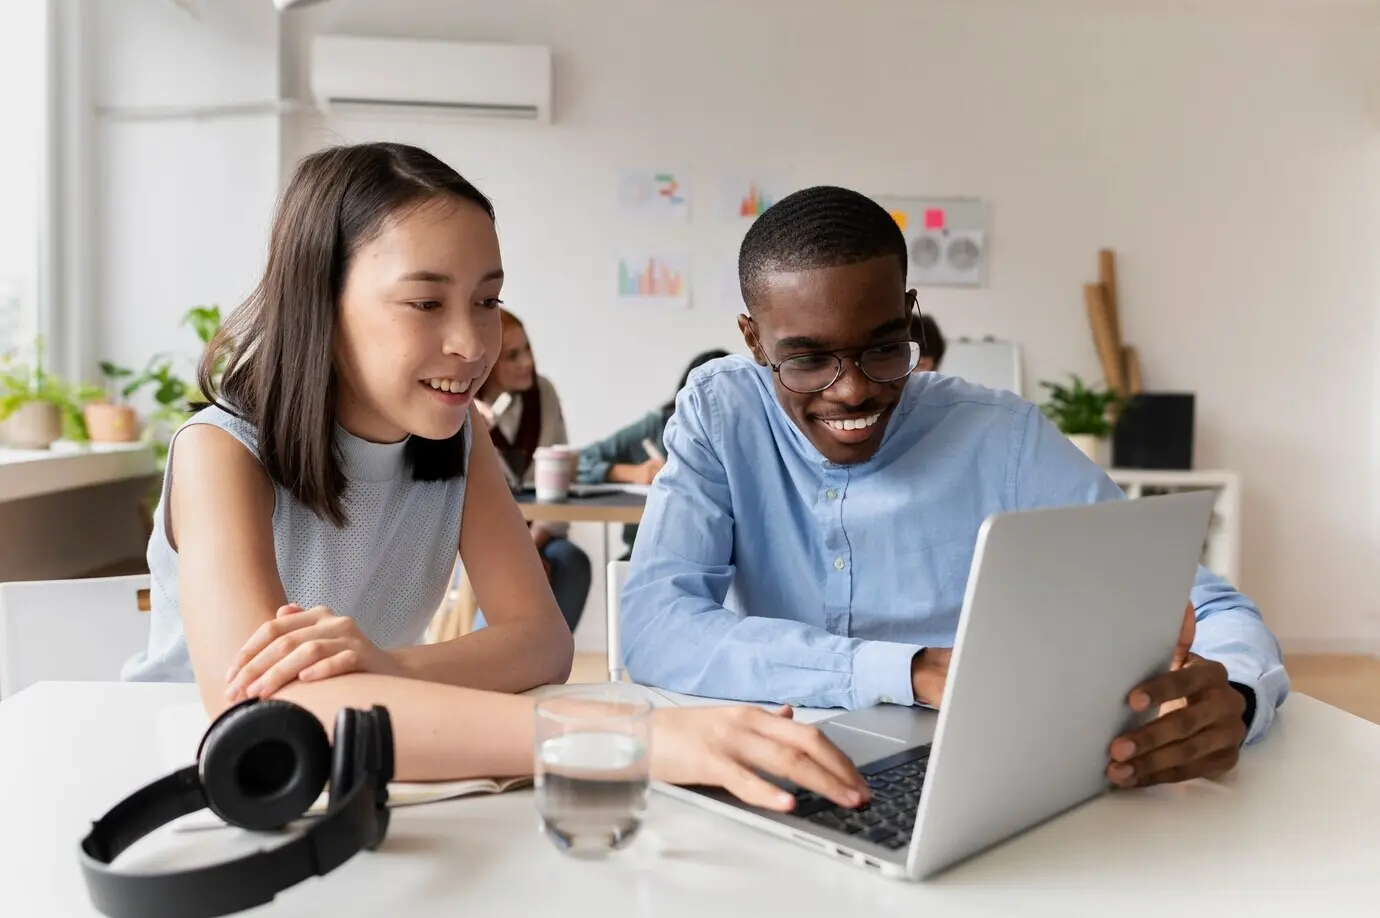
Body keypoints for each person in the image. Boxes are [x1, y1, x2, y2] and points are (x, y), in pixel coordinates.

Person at [118, 143, 871, 813]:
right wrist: (633, 736)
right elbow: (267, 714)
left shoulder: (460, 439)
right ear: (320, 301)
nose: (471, 342)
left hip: (355, 780)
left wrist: (390, 667)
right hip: (181, 785)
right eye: (425, 302)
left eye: (487, 301)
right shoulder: (222, 452)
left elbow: (540, 641)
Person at [619, 184, 1290, 790]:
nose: (851, 390)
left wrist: (1237, 696)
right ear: (753, 338)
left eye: (885, 349)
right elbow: (654, 628)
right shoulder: (721, 414)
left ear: (910, 313)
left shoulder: (1003, 438)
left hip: (967, 776)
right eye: (808, 359)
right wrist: (906, 671)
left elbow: (1213, 607)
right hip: (770, 766)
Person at [472, 308, 591, 631]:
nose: (527, 362)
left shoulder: (544, 394)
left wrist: (530, 546)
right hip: (482, 539)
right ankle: (488, 661)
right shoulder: (464, 408)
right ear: (488, 361)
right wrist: (521, 555)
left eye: (527, 349)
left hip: (539, 532)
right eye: (512, 356)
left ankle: (548, 656)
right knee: (509, 573)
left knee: (573, 562)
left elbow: (557, 483)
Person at [575, 348, 731, 559]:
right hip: (648, 552)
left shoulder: (746, 435)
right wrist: (632, 473)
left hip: (717, 554)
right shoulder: (658, 425)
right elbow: (578, 462)